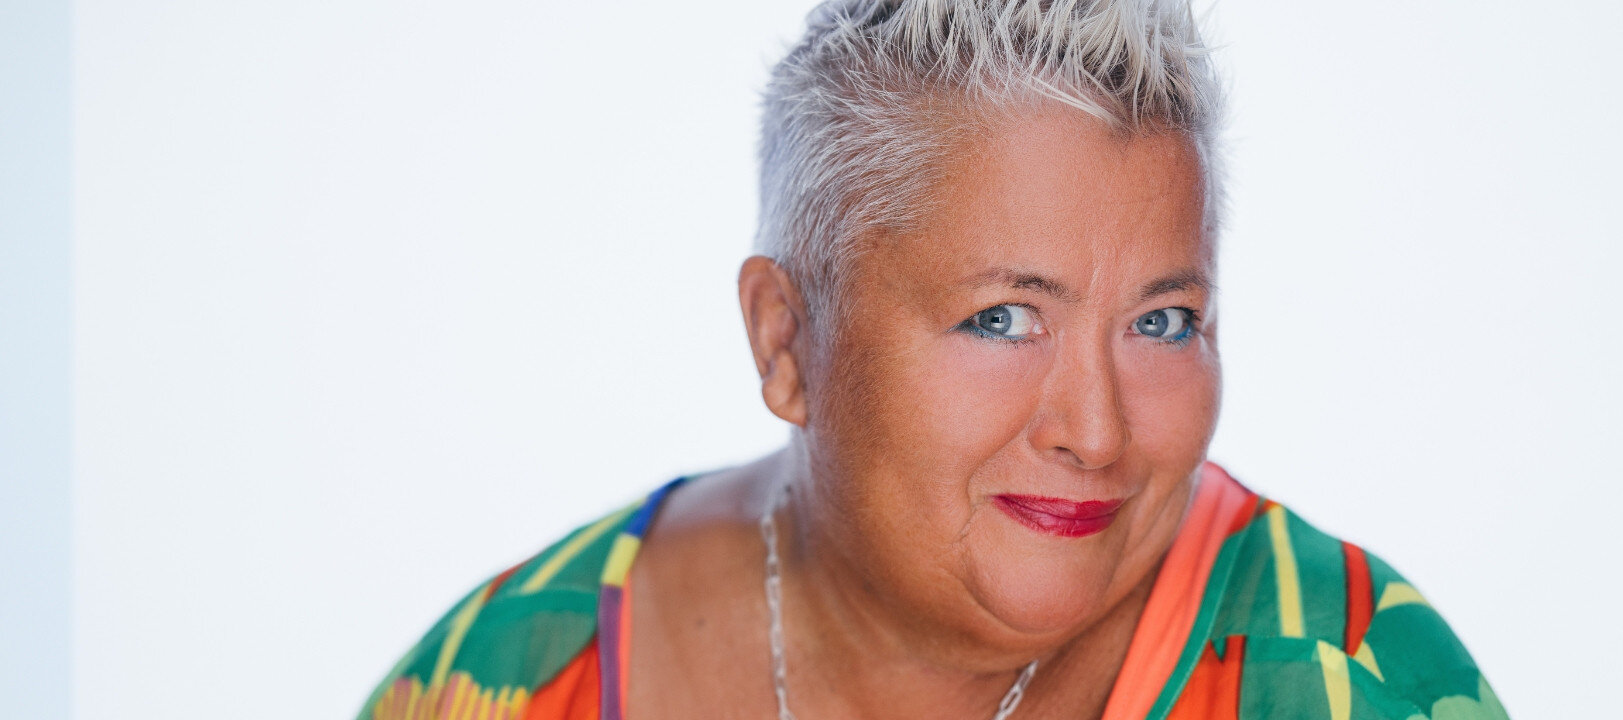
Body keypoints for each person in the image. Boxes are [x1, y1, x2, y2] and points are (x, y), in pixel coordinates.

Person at [359, 1, 1504, 718]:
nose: (1097, 433)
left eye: (1162, 322)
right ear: (785, 338)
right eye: (1002, 318)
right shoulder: (507, 678)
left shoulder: (1340, 677)